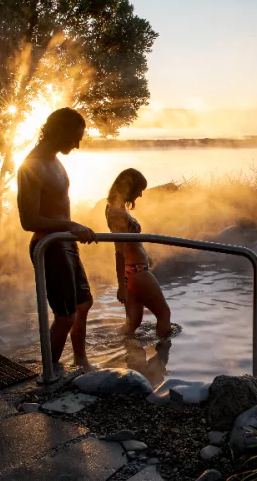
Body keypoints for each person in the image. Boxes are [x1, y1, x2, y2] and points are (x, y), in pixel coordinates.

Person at [17, 107, 97, 373]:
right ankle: (49, 372)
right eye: (75, 137)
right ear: (60, 130)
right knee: (65, 316)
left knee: (83, 304)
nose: (77, 144)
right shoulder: (33, 164)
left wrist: (70, 230)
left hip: (65, 242)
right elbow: (29, 220)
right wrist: (71, 225)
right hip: (49, 247)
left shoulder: (54, 160)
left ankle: (80, 361)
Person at [105, 168, 173, 339]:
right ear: (130, 188)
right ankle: (163, 358)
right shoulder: (117, 213)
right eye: (139, 190)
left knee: (133, 322)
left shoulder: (115, 208)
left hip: (132, 272)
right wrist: (121, 286)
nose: (141, 195)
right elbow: (119, 251)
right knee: (164, 314)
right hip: (137, 271)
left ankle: (125, 355)